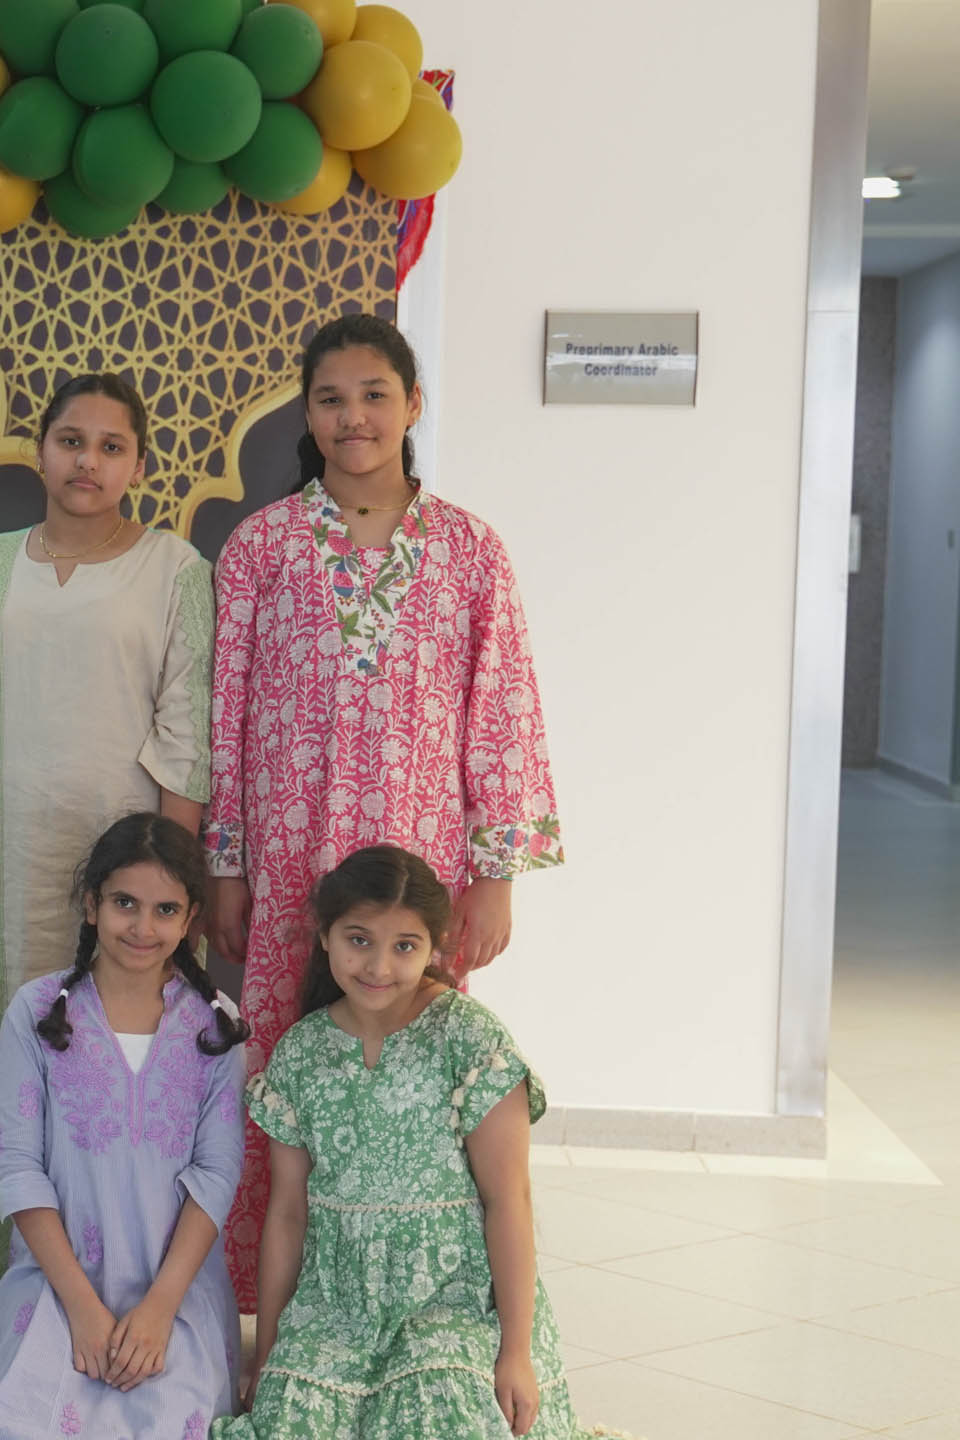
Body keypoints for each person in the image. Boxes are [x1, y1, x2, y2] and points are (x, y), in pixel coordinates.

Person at [204, 313, 562, 1307]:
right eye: (330, 399)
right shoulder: (261, 547)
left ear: (413, 405)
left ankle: (418, 1304)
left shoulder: (470, 550)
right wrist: (224, 865)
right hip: (290, 867)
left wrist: (494, 877)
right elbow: (224, 715)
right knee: (287, 1072)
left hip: (422, 870)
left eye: (373, 395)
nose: (352, 416)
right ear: (306, 413)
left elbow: (502, 712)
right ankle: (281, 1311)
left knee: (415, 1070)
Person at [0, 373, 213, 1320]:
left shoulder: (173, 569)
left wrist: (172, 894)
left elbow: (187, 737)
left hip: (127, 881)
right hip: (3, 859)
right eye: (72, 440)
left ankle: (114, 1297)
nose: (88, 462)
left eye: (112, 447)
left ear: (139, 464)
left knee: (109, 1076)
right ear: (39, 450)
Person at [219, 847, 616, 1440]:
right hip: (338, 1301)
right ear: (325, 936)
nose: (379, 966)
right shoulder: (301, 1053)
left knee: (440, 1410)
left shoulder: (468, 1037)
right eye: (359, 940)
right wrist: (269, 1355)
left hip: (451, 1299)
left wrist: (515, 1352)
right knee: (293, 1424)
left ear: (434, 946)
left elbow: (509, 1200)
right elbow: (288, 1213)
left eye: (404, 945)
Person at [0, 814, 246, 1438]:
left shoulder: (216, 1027)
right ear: (92, 905)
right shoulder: (37, 1013)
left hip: (173, 1295)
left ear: (190, 919)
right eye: (124, 903)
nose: (143, 927)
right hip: (58, 1285)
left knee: (170, 1425)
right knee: (16, 1423)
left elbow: (218, 1175)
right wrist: (81, 1309)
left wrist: (160, 1308)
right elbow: (19, 1168)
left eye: (165, 910)